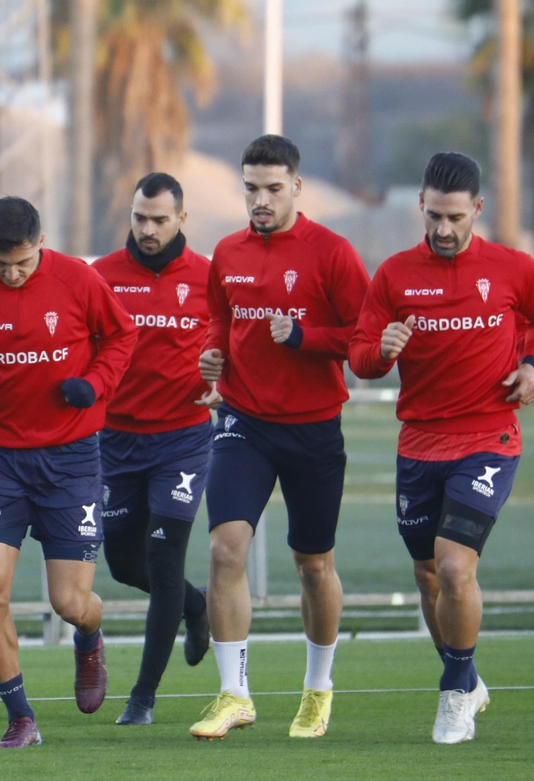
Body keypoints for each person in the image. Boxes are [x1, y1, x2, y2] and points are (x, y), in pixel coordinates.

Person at [0, 196, 137, 748]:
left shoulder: (78, 280)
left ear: (41, 243)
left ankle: (89, 634)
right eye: (1, 264)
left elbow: (122, 336)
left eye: (23, 263)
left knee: (69, 603)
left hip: (71, 458)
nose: (12, 274)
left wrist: (94, 384)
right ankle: (20, 718)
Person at [349, 152, 534, 744]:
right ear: (421, 204)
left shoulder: (512, 268)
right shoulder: (393, 276)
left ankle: (453, 695)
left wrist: (531, 365)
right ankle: (467, 678)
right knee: (427, 575)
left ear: (478, 210)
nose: (444, 229)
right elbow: (360, 357)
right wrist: (382, 350)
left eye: (456, 218)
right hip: (420, 443)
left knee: (453, 564)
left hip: (489, 438)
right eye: (435, 215)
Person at [190, 135, 370, 741]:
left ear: (296, 186)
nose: (260, 200)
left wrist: (303, 337)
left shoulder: (333, 253)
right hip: (243, 421)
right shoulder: (227, 251)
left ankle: (317, 690)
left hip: (314, 427)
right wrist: (211, 355)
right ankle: (234, 694)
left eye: (272, 188)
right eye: (251, 188)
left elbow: (362, 337)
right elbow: (220, 317)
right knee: (225, 550)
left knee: (313, 565)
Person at [89, 172, 214, 726]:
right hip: (116, 442)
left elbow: (236, 343)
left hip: (182, 441)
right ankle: (196, 604)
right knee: (123, 565)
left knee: (164, 561)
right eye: (140, 217)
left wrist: (226, 380)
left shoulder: (209, 278)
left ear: (181, 219)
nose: (148, 229)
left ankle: (142, 697)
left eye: (160, 220)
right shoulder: (101, 276)